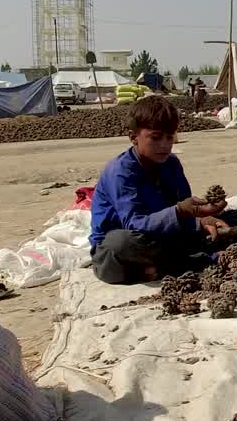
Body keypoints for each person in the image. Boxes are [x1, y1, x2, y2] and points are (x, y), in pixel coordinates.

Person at [89, 96, 229, 285]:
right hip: (127, 245)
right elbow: (134, 223)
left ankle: (164, 266)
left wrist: (201, 218)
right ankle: (189, 261)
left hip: (163, 238)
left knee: (235, 218)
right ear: (133, 137)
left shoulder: (171, 164)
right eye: (155, 137)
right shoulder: (120, 172)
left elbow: (183, 210)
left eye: (169, 137)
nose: (164, 145)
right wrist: (180, 211)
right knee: (120, 243)